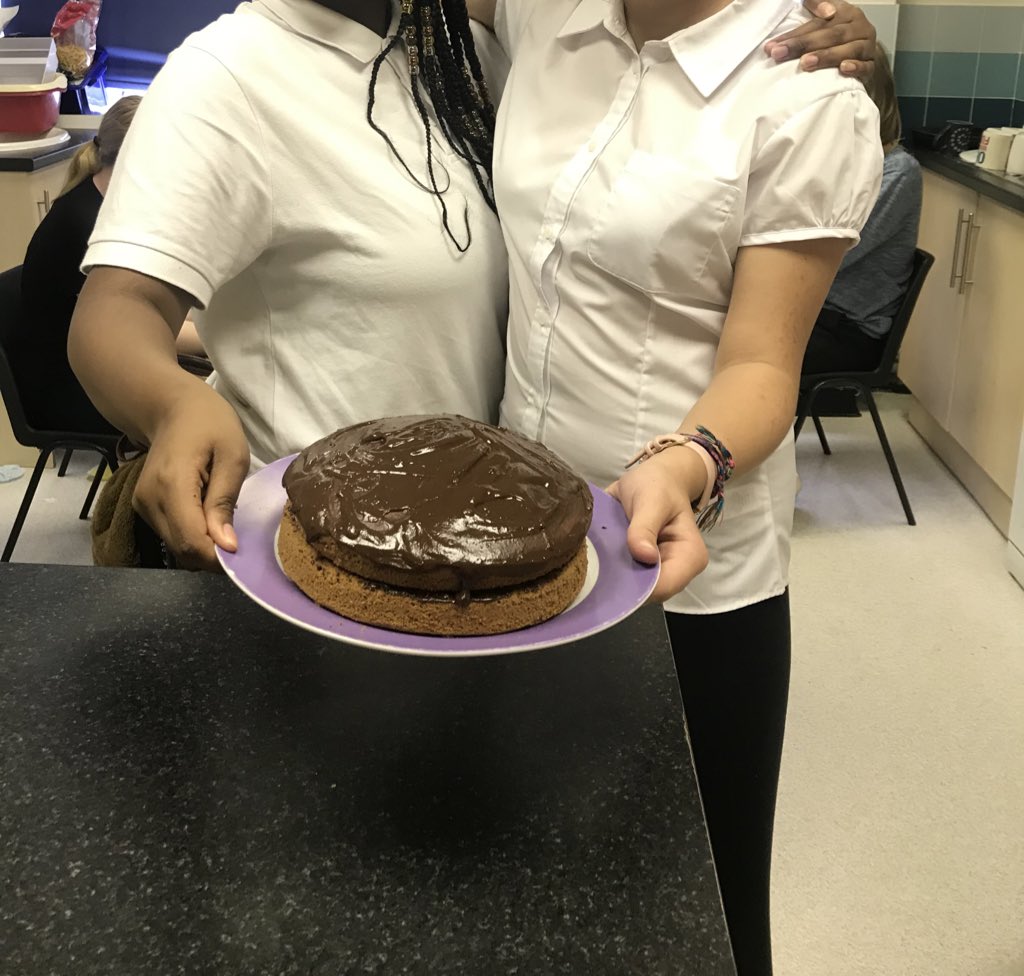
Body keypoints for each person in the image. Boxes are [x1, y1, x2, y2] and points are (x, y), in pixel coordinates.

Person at [67, 0, 878, 972]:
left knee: (677, 921)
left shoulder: (482, 49)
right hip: (374, 591)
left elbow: (762, 357)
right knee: (401, 907)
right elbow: (109, 315)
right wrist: (172, 404)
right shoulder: (263, 66)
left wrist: (690, 456)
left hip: (618, 577)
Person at [468, 1, 881, 973]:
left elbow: (763, 367)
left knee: (697, 917)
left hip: (682, 581)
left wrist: (689, 458)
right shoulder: (541, 19)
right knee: (526, 884)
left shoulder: (804, 91)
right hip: (515, 562)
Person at [18, 96, 203, 435]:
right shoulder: (90, 228)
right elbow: (144, 334)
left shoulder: (105, 206)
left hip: (86, 372)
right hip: (70, 390)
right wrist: (215, 338)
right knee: (218, 407)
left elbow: (158, 304)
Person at [802, 42, 922, 375]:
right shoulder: (834, 162)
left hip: (848, 329)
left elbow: (830, 257)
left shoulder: (897, 171)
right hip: (813, 313)